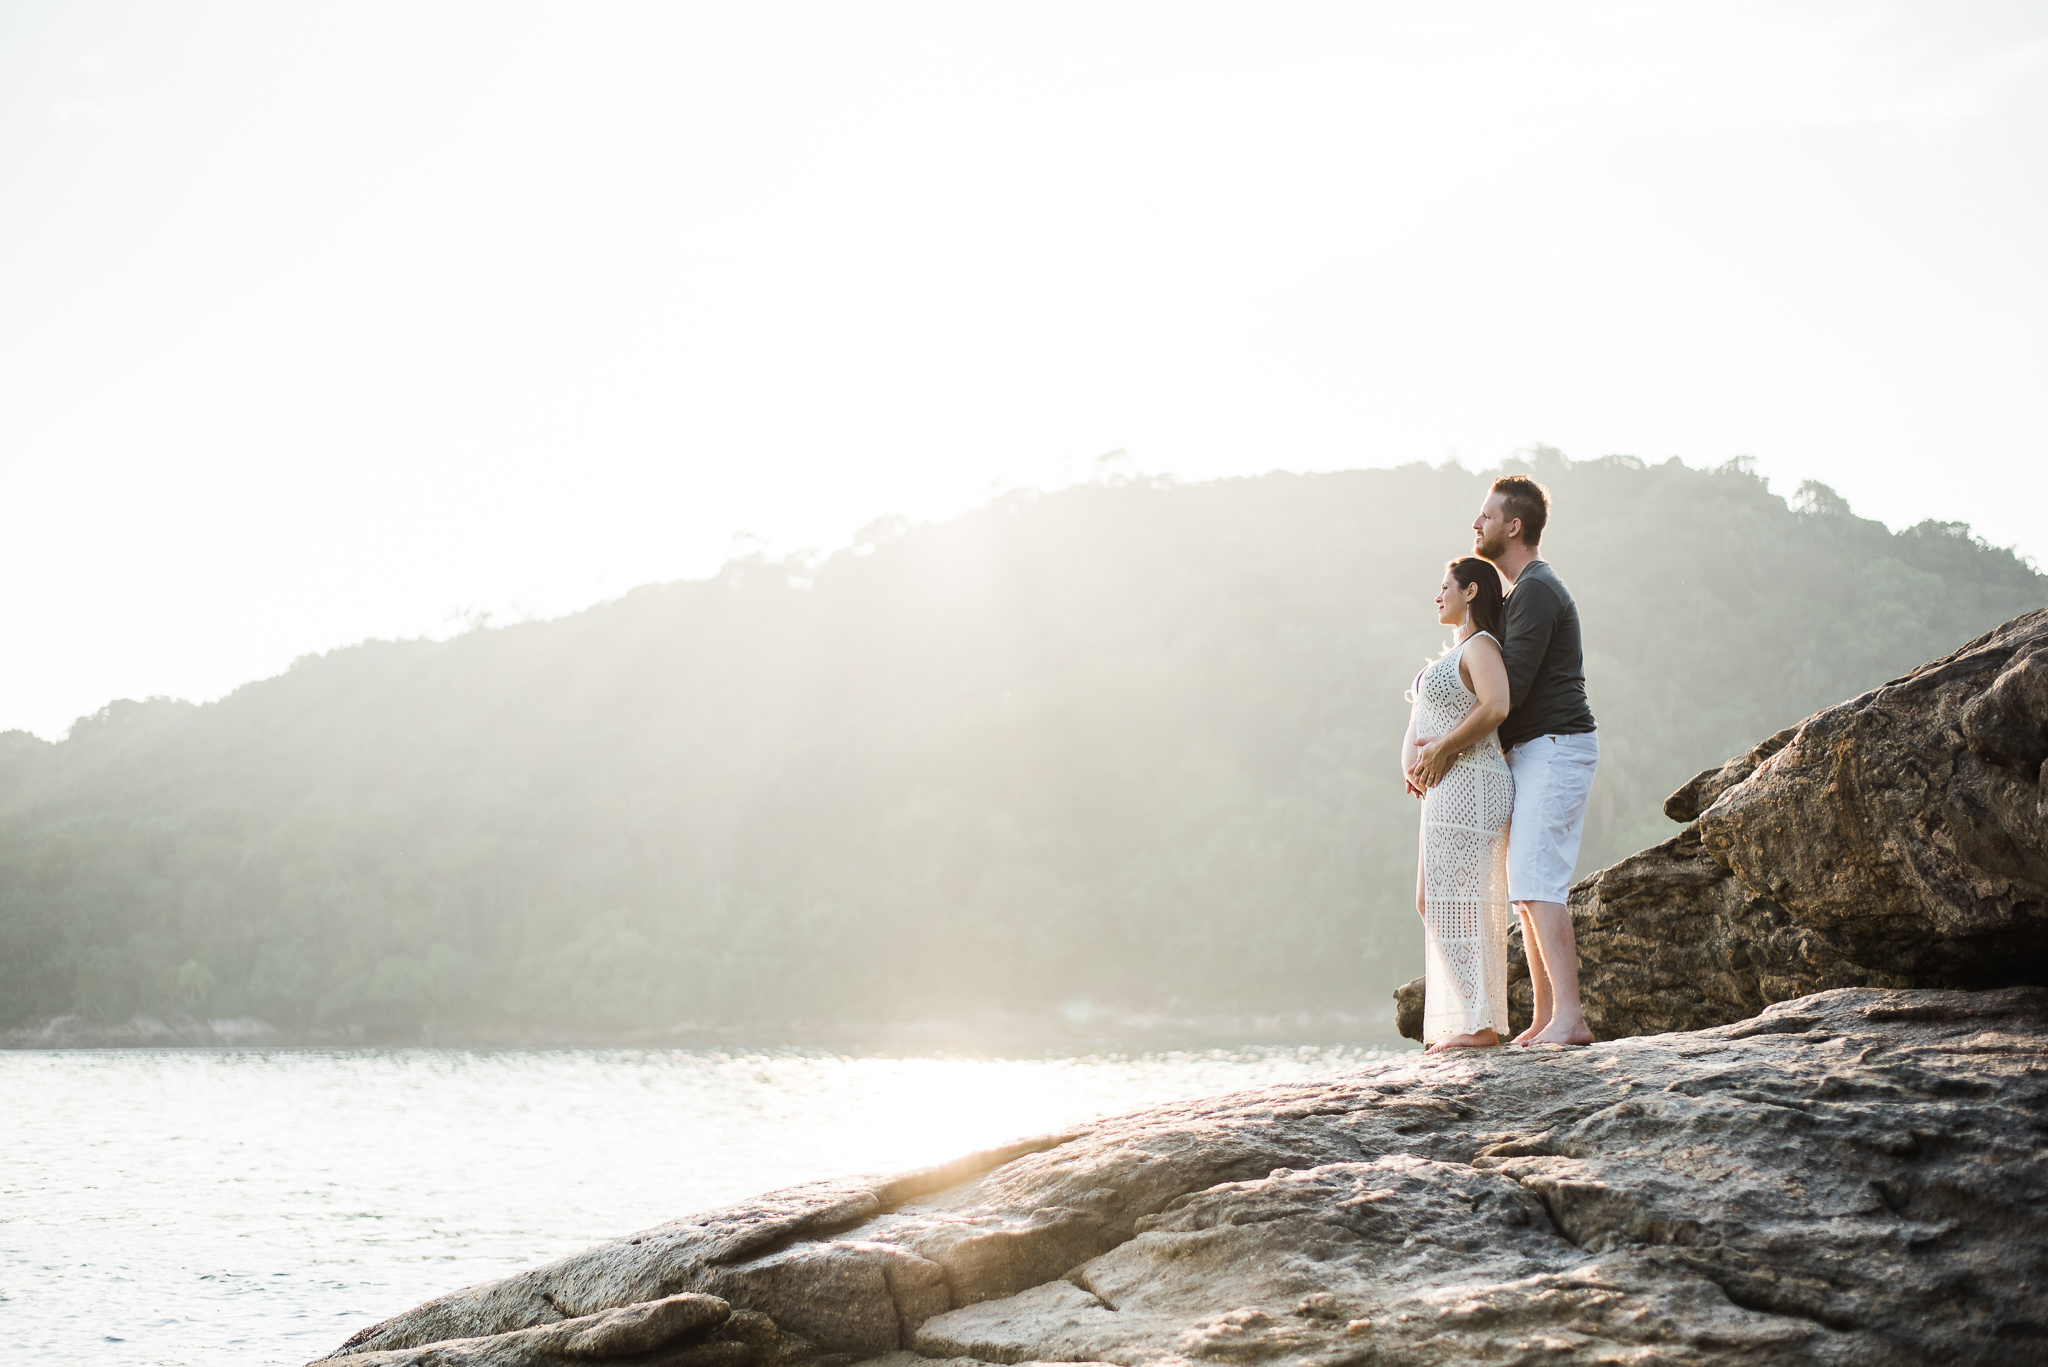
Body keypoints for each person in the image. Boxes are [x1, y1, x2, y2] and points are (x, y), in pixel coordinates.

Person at [1421, 474, 1599, 1047]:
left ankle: (1570, 1017)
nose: (1476, 524)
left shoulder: (1538, 590)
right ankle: (1546, 1018)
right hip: (1533, 751)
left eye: (1487, 516)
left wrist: (1444, 747)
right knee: (1525, 888)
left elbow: (1505, 695)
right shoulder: (1525, 592)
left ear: (1513, 526)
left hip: (1556, 745)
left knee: (1538, 882)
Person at [1402, 558, 1513, 1053]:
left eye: (1445, 586)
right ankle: (1472, 1016)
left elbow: (1496, 705)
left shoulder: (1481, 645)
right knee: (1433, 900)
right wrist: (1415, 766)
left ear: (1470, 591)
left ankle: (1479, 1023)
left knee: (1459, 902)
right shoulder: (1450, 655)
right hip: (1443, 789)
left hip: (1472, 783)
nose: (1437, 595)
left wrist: (1441, 750)